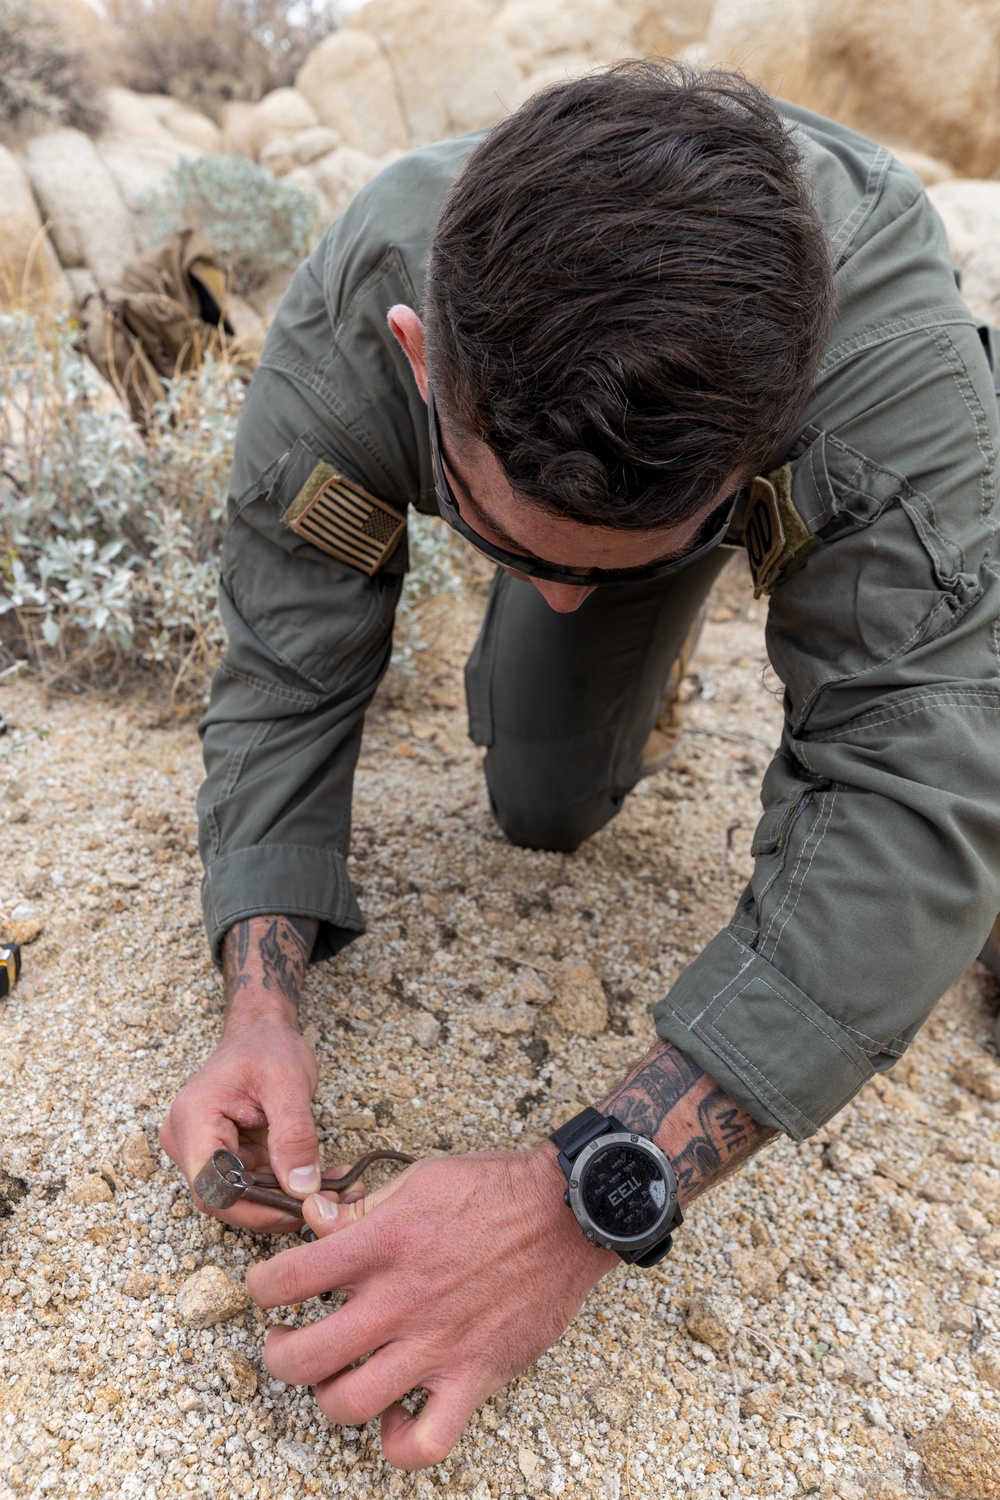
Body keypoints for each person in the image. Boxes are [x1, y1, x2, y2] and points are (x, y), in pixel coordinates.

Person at [161, 62, 1000, 1471]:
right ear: (424, 365)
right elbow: (288, 659)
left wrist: (583, 1195)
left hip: (852, 417)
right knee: (542, 801)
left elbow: (914, 780)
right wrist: (260, 992)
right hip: (601, 441)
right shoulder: (361, 310)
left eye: (600, 562)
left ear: (763, 450)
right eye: (509, 545)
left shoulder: (872, 372)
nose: (551, 595)